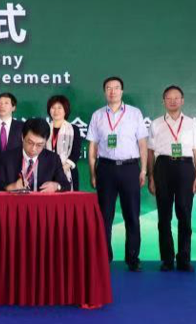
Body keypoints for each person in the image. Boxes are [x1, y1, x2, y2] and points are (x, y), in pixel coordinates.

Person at [87, 76, 148, 271]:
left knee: (132, 215)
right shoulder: (97, 115)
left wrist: (144, 169)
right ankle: (104, 257)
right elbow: (92, 146)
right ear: (104, 91)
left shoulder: (134, 113)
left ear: (122, 91)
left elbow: (142, 143)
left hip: (130, 168)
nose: (112, 91)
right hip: (105, 169)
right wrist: (93, 173)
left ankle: (132, 258)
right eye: (108, 88)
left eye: (116, 88)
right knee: (104, 216)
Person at [146, 86, 196, 272]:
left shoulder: (192, 124)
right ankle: (167, 259)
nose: (173, 101)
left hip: (185, 168)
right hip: (162, 167)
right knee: (164, 217)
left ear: (182, 100)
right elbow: (150, 153)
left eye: (176, 98)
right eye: (169, 98)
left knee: (184, 215)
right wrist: (151, 177)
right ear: (163, 101)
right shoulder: (156, 124)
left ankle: (184, 259)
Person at [0, 118, 70, 192]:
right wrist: (11, 187)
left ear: (45, 142)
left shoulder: (53, 159)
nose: (33, 149)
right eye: (30, 142)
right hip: (15, 199)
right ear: (22, 137)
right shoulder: (7, 158)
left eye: (39, 145)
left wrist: (56, 186)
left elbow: (66, 185)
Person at [46, 95, 82, 191]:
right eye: (53, 107)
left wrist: (61, 170)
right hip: (47, 173)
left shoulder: (73, 129)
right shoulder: (44, 128)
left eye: (59, 108)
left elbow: (76, 153)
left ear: (65, 110)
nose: (56, 111)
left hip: (68, 171)